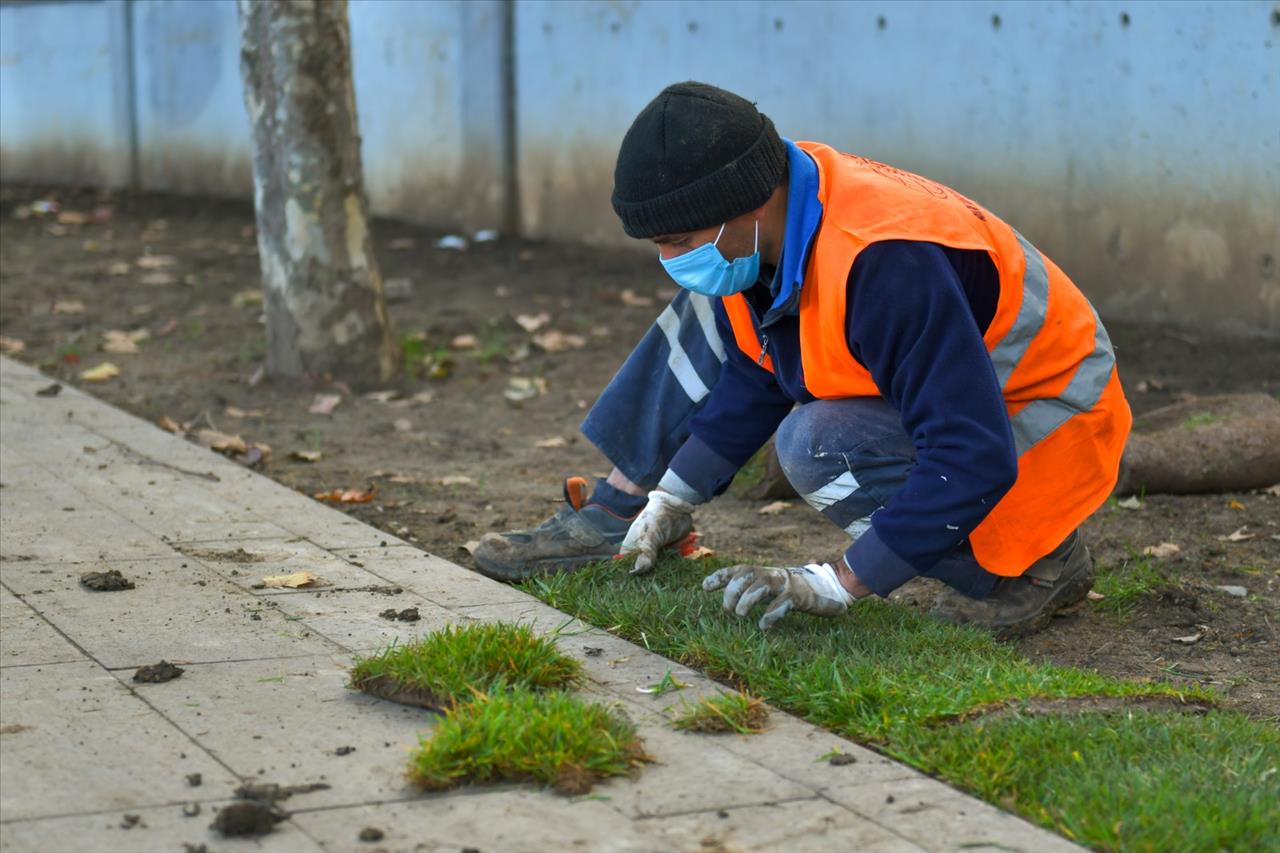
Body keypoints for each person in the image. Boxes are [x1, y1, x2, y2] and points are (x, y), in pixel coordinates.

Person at [474, 81, 1132, 637]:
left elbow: (971, 450)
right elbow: (762, 369)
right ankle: (621, 508)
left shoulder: (885, 264)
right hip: (973, 390)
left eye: (680, 239)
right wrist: (672, 494)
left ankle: (1035, 565)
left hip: (1053, 412)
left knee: (819, 445)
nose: (669, 259)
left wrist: (841, 581)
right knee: (707, 315)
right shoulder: (777, 215)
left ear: (748, 206)